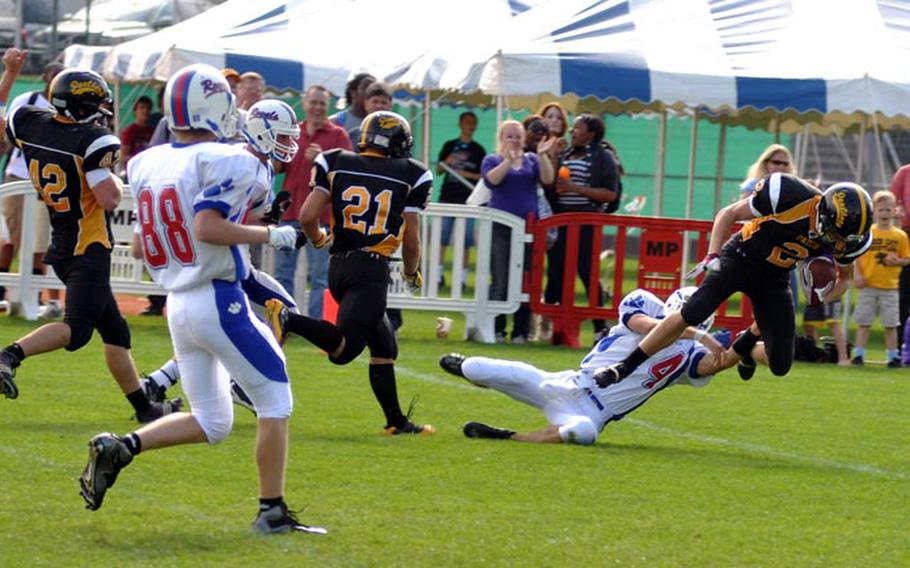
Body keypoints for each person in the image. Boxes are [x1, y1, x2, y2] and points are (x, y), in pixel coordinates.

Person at [78, 64, 325, 535]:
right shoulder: (230, 160)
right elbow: (207, 226)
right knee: (275, 400)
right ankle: (272, 511)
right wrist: (274, 233)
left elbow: (139, 246)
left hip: (179, 304)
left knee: (213, 422)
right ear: (215, 108)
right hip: (217, 297)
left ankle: (122, 446)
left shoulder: (149, 161)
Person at [0, 66, 180, 422]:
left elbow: (4, 122)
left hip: (64, 242)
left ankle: (145, 409)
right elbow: (110, 198)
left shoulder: (29, 121)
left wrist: (9, 74)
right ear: (83, 107)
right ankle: (9, 355)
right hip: (88, 245)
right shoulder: (93, 140)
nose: (101, 112)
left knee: (116, 332)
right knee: (78, 330)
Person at [596, 174, 873, 387]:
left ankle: (749, 345)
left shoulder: (847, 240)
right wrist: (712, 254)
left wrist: (822, 296)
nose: (840, 242)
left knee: (780, 364)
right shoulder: (791, 196)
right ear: (825, 215)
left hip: (774, 277)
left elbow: (845, 278)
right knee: (695, 311)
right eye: (837, 234)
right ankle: (623, 367)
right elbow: (728, 214)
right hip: (740, 256)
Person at [266, 111, 434, 435]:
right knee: (342, 352)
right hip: (370, 270)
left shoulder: (335, 161)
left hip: (340, 265)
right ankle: (288, 319)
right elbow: (411, 240)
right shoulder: (413, 174)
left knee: (385, 347)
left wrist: (319, 240)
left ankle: (396, 421)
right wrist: (412, 273)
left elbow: (307, 216)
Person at [139, 98, 304, 413]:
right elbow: (214, 221)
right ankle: (240, 385)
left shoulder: (262, 167)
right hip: (221, 264)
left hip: (230, 262)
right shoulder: (238, 163)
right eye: (283, 136)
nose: (290, 143)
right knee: (280, 314)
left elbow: (241, 216)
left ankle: (159, 381)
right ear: (261, 130)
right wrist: (270, 233)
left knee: (244, 326)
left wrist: (267, 217)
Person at [438, 287, 757, 444]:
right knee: (477, 367)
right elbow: (650, 327)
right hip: (568, 383)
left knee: (584, 433)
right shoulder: (644, 304)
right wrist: (700, 333)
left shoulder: (688, 355)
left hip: (591, 411)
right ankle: (472, 372)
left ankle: (509, 437)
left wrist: (751, 338)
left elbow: (719, 362)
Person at [543, 114, 619, 344]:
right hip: (561, 220)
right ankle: (552, 325)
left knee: (587, 271)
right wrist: (554, 156)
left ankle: (600, 326)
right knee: (556, 270)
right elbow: (551, 184)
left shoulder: (602, 157)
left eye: (578, 128)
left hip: (587, 221)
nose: (573, 131)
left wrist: (574, 187)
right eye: (573, 127)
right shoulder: (565, 154)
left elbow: (609, 194)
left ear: (591, 134)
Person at [277, 85, 351, 317]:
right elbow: (279, 167)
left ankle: (316, 325)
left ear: (327, 106)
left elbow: (347, 173)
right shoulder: (293, 133)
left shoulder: (338, 135)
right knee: (282, 274)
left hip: (322, 218)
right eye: (314, 102)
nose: (318, 107)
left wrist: (322, 159)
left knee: (320, 276)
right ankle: (285, 321)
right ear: (305, 103)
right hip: (289, 214)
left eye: (322, 103)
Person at [0, 58, 64, 317]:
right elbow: (8, 134)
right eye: (54, 75)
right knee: (9, 239)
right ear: (46, 77)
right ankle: (2, 293)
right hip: (19, 175)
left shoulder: (68, 108)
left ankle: (38, 297)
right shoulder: (28, 101)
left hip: (49, 180)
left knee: (42, 240)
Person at [482, 120, 556, 343]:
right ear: (501, 138)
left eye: (517, 136)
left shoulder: (531, 160)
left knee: (526, 280)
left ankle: (521, 331)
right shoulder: (492, 159)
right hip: (501, 226)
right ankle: (496, 328)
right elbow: (491, 181)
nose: (514, 140)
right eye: (509, 136)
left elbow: (548, 179)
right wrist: (508, 161)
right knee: (501, 278)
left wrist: (543, 155)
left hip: (529, 228)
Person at [852, 191, 910, 367]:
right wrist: (858, 275)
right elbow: (856, 257)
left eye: (888, 210)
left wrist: (897, 261)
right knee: (864, 322)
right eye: (881, 210)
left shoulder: (899, 235)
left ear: (894, 211)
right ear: (874, 212)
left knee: (891, 324)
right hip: (868, 285)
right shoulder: (868, 232)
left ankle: (892, 356)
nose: (884, 213)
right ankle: (859, 354)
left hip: (890, 287)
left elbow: (907, 258)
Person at [436, 111, 486, 284]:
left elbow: (483, 177)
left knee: (465, 241)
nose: (470, 126)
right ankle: (437, 275)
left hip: (468, 200)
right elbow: (439, 170)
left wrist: (466, 174)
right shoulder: (450, 145)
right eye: (467, 122)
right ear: (460, 124)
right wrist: (447, 162)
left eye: (473, 123)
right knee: (441, 238)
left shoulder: (479, 151)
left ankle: (462, 279)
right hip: (447, 197)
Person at [888, 162, 910, 352]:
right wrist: (897, 212)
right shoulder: (904, 173)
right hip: (906, 234)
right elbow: (891, 203)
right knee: (902, 295)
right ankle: (900, 346)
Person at [119, 96, 154, 173]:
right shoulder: (129, 131)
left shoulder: (153, 131)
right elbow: (123, 156)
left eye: (148, 108)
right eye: (142, 107)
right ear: (135, 111)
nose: (145, 110)